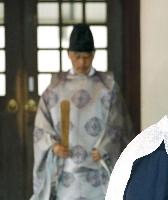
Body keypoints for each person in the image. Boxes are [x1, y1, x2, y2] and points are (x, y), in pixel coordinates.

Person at [30, 24, 133, 200]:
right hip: (65, 172)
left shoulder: (108, 87)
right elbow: (41, 127)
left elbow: (118, 125)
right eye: (77, 57)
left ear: (93, 55)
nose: (81, 63)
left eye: (86, 57)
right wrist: (53, 146)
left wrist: (105, 146)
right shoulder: (54, 88)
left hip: (98, 170)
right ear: (69, 54)